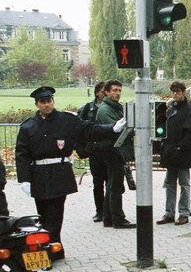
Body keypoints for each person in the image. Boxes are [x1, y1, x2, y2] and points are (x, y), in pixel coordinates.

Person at [15, 86, 126, 260]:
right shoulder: (28, 126)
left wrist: (112, 129)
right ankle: (56, 249)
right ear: (37, 104)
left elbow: (89, 130)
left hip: (59, 173)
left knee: (54, 215)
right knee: (43, 215)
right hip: (39, 175)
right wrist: (24, 180)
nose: (47, 105)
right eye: (43, 102)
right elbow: (21, 154)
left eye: (49, 101)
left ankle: (48, 252)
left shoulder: (66, 120)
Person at [156, 81, 191, 226]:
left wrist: (181, 146)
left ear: (183, 92)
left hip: (182, 153)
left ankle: (183, 213)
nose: (175, 94)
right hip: (171, 153)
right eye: (173, 91)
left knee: (184, 183)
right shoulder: (171, 110)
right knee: (169, 184)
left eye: (177, 91)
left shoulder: (189, 110)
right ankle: (169, 213)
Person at [94, 79, 135, 229]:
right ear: (106, 92)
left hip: (115, 150)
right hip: (113, 151)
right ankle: (117, 218)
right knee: (115, 186)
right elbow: (117, 130)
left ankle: (109, 217)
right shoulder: (106, 110)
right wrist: (132, 131)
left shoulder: (114, 108)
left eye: (119, 90)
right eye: (115, 90)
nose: (118, 93)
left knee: (113, 185)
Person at [76, 81, 106, 222]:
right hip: (94, 151)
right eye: (102, 92)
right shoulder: (87, 109)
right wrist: (82, 149)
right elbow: (78, 129)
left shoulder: (112, 108)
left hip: (108, 150)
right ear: (97, 93)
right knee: (98, 182)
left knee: (111, 182)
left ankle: (110, 209)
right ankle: (99, 210)